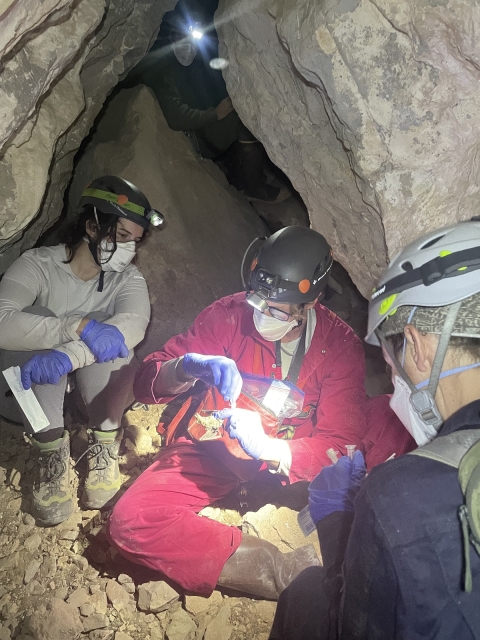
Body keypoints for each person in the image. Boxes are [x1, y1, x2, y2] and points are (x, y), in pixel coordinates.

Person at [108, 225, 369, 600]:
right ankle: (285, 575)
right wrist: (185, 368)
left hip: (292, 462)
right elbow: (147, 381)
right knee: (132, 520)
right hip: (215, 449)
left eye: (276, 309)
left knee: (384, 438)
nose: (261, 314)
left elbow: (343, 443)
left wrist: (275, 450)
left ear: (309, 304)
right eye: (257, 299)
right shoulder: (229, 315)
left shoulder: (339, 346)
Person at [270, 219, 480, 639]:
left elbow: (356, 624)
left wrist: (339, 520)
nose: (392, 380)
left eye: (390, 364)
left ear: (418, 346)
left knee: (309, 597)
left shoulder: (401, 497)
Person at [0, 176, 162, 527]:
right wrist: (75, 326)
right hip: (30, 388)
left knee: (116, 336)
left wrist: (69, 354)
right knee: (37, 324)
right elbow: (2, 321)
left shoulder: (128, 280)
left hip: (88, 386)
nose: (129, 249)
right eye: (121, 237)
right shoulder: (37, 265)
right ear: (92, 226)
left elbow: (131, 327)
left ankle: (104, 439)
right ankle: (49, 447)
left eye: (134, 241)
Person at [140, 10, 289, 204]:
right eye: (181, 36)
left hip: (205, 129)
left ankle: (240, 175)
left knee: (244, 110)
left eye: (191, 36)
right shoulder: (163, 69)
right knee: (244, 124)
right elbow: (174, 116)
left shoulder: (197, 64)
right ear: (171, 37)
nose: (187, 42)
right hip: (194, 137)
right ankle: (255, 187)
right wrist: (214, 114)